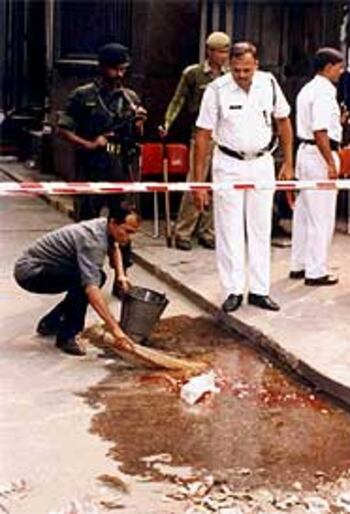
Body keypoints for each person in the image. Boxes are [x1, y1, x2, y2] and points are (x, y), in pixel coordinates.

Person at [193, 42, 294, 313]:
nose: (241, 75)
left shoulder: (269, 83)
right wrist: (199, 181)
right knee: (229, 229)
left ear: (256, 65)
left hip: (262, 162)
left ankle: (260, 290)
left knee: (261, 228)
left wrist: (289, 163)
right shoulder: (216, 90)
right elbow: (202, 136)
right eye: (236, 70)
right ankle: (233, 289)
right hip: (228, 163)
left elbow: (283, 122)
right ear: (229, 67)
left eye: (247, 70)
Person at [57, 42, 146, 293]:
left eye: (123, 69)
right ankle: (84, 279)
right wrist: (88, 143)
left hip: (119, 167)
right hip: (90, 167)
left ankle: (122, 277)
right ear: (102, 68)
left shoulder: (129, 97)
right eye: (115, 69)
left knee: (123, 225)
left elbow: (136, 136)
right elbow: (63, 129)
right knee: (87, 225)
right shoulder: (83, 95)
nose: (119, 75)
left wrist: (138, 123)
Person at [13, 204, 140, 356]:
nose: (129, 237)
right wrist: (116, 330)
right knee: (84, 283)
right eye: (127, 231)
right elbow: (91, 290)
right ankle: (68, 336)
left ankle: (51, 323)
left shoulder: (104, 225)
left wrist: (121, 275)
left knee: (97, 277)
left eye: (133, 233)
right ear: (113, 222)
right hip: (31, 272)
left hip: (48, 266)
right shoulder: (92, 240)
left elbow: (115, 247)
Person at [159, 32, 231, 251]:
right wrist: (167, 122)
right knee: (196, 182)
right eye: (220, 51)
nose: (223, 56)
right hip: (201, 134)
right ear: (209, 51)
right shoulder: (194, 74)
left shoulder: (231, 76)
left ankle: (208, 231)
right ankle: (183, 231)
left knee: (217, 185)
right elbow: (178, 100)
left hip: (226, 136)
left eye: (226, 51)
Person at [289, 48, 344, 286]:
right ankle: (316, 270)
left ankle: (299, 264)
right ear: (329, 66)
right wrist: (330, 162)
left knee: (304, 213)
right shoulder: (323, 93)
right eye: (339, 67)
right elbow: (320, 130)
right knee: (321, 215)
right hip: (320, 154)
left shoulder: (307, 89)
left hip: (306, 152)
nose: (341, 72)